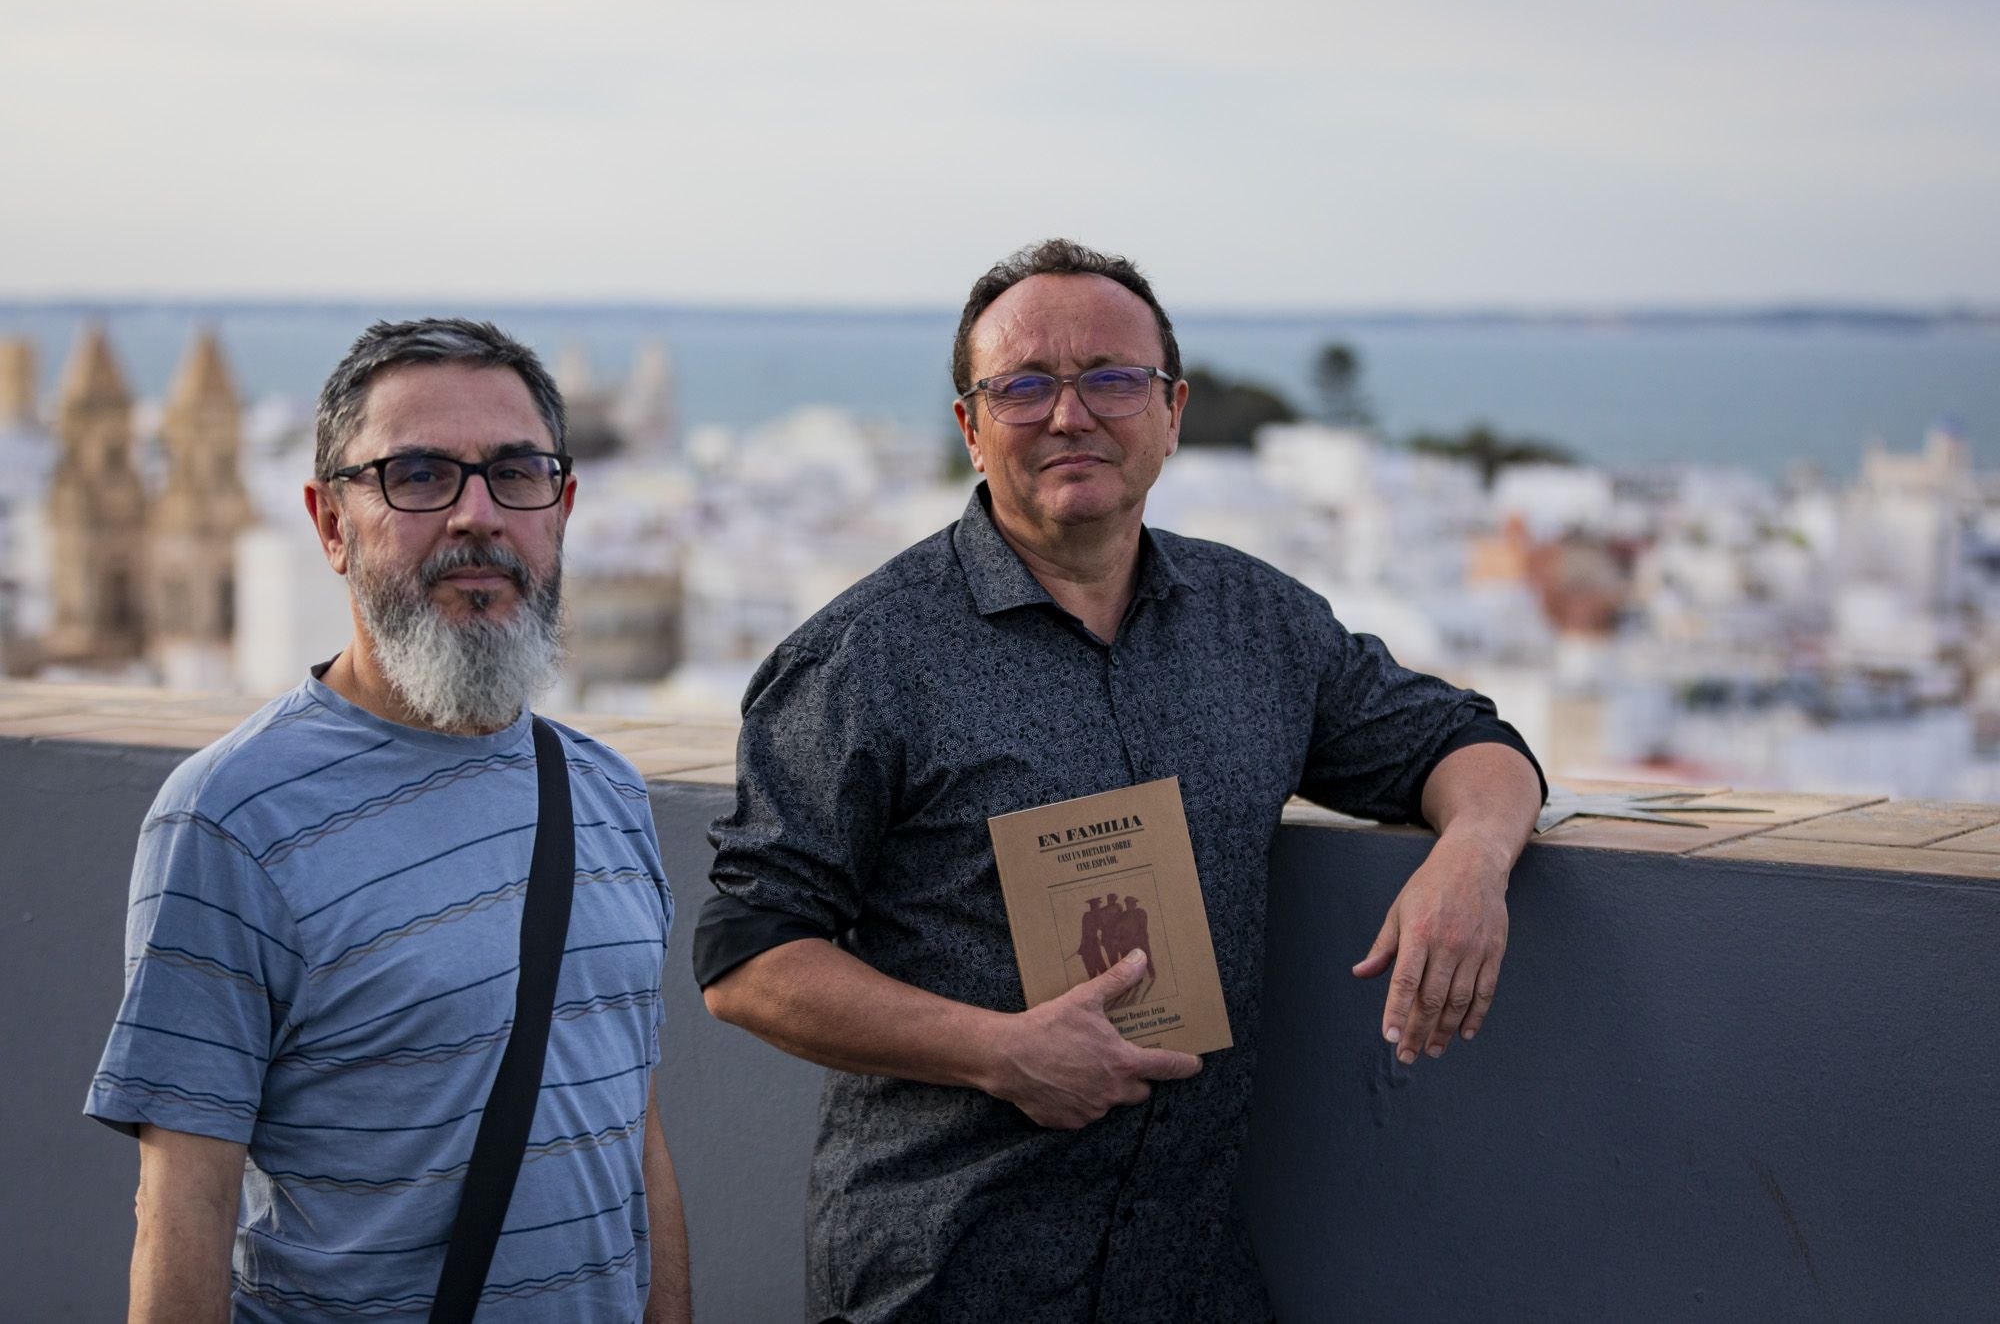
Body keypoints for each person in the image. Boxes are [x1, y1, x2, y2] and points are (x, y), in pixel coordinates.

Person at [695, 241, 1545, 1322]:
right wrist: (1000, 1053)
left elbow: (1466, 743)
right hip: (944, 1276)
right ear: (969, 425)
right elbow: (745, 955)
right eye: (1022, 385)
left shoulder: (1259, 623)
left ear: (1170, 409)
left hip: (1186, 1278)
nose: (1069, 414)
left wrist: (1469, 858)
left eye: (1110, 378)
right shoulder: (865, 657)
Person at [84, 319, 691, 1323]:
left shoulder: (609, 795)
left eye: (515, 473)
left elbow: (633, 1138)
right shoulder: (230, 816)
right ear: (330, 524)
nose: (476, 516)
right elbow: (182, 1205)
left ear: (562, 508)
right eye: (417, 475)